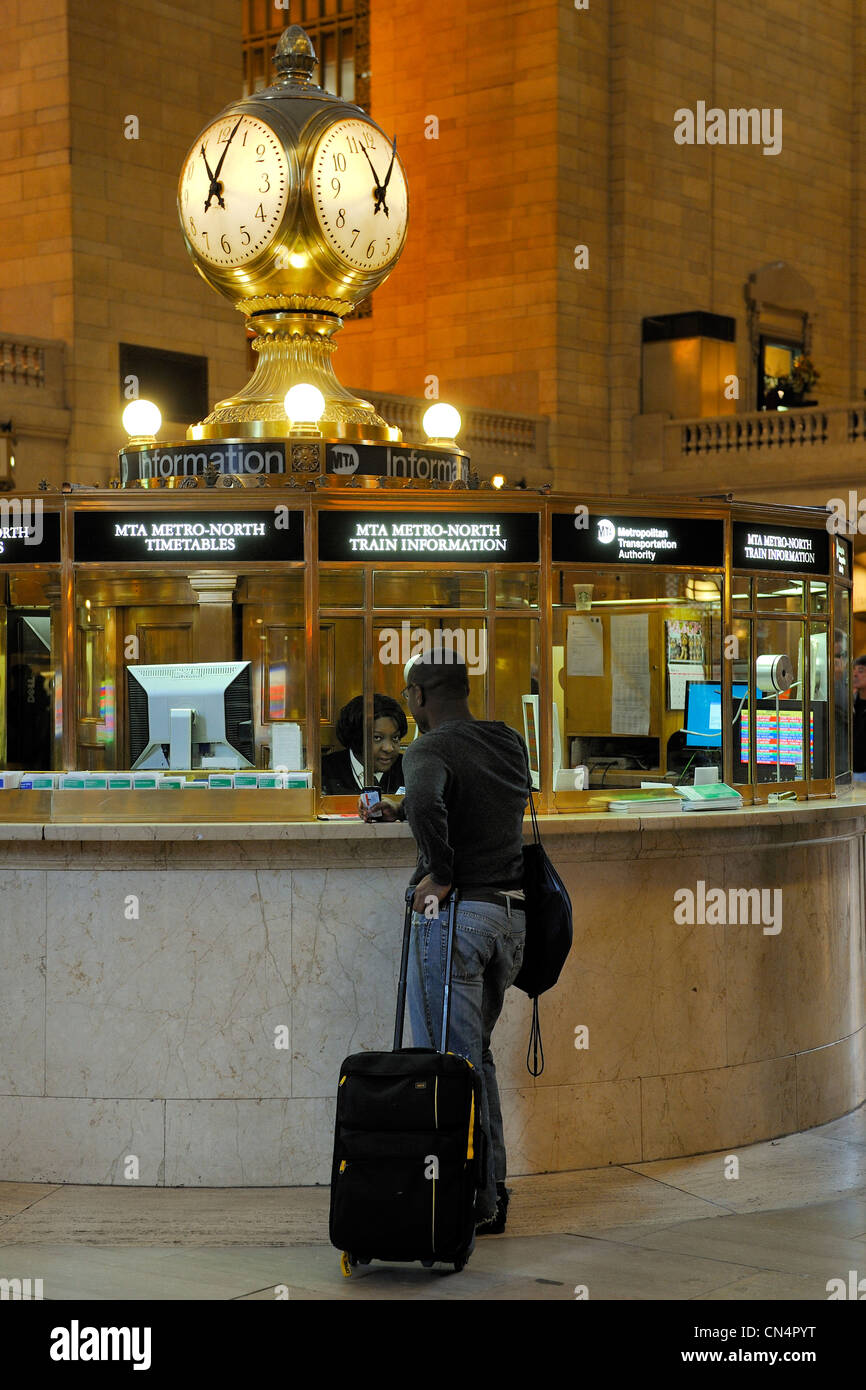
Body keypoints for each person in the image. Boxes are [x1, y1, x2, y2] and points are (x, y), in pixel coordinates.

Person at [360, 646, 530, 1234]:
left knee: (445, 1064)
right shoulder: (507, 738)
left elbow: (433, 800)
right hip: (511, 918)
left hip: (459, 919)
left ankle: (455, 1200)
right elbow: (469, 795)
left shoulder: (429, 747)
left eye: (410, 696)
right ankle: (488, 1195)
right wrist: (403, 807)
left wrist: (442, 870)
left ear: (419, 697)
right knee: (471, 1058)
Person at [321, 693, 406, 794]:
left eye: (395, 738)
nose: (389, 748)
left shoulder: (408, 769)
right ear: (356, 736)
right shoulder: (325, 771)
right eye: (377, 738)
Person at [852, 655, 866, 783]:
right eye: (854, 670)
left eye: (861, 671)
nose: (855, 674)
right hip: (853, 770)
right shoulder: (851, 701)